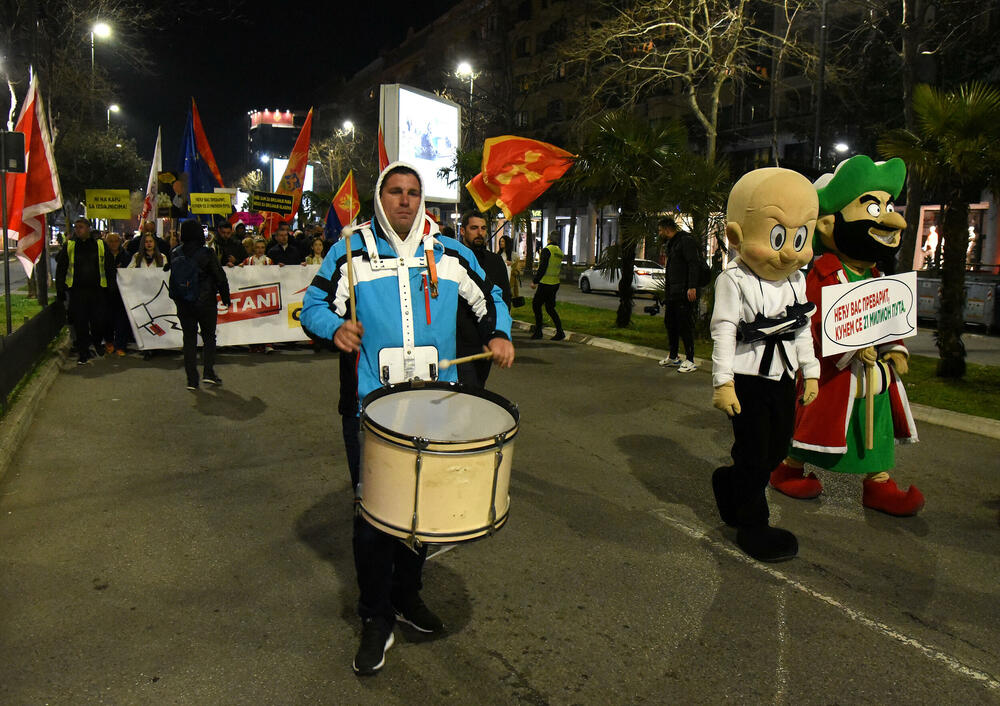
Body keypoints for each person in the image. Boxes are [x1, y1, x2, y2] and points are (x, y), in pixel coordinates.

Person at [300, 162, 514, 677]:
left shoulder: (449, 251)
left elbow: (491, 297)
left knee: (422, 514)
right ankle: (375, 615)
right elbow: (311, 304)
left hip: (433, 406)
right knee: (375, 517)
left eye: (413, 193)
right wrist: (334, 328)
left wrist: (499, 333)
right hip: (370, 410)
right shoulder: (348, 251)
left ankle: (406, 594)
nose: (405, 201)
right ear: (380, 197)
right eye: (395, 191)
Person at [771, 155, 923, 516]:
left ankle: (879, 483)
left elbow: (888, 317)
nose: (890, 216)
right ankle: (787, 469)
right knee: (817, 423)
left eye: (887, 205)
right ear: (826, 225)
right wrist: (850, 349)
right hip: (833, 375)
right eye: (872, 206)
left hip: (874, 374)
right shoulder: (822, 274)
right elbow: (811, 322)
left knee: (878, 425)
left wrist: (895, 349)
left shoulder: (874, 276)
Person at [710, 168, 821, 562]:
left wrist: (810, 370)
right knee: (756, 452)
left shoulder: (796, 280)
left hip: (782, 376)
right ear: (737, 235)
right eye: (777, 238)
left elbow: (801, 327)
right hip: (747, 378)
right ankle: (753, 522)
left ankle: (729, 481)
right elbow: (723, 329)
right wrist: (723, 382)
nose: (789, 251)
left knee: (776, 449)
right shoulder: (733, 280)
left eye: (799, 238)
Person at [167, 219, 231, 390]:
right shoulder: (207, 253)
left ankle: (191, 379)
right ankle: (208, 373)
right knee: (209, 336)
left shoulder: (175, 253)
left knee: (189, 339)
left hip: (183, 302)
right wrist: (226, 297)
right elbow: (220, 277)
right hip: (205, 302)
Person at [456, 210, 512, 388]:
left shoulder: (495, 261)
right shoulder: (452, 259)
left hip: (484, 344)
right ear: (463, 231)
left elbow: (503, 299)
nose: (480, 232)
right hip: (457, 347)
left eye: (483, 228)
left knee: (478, 392)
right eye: (474, 228)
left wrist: (497, 333)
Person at [55, 218, 117, 365]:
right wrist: (60, 289)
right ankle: (83, 353)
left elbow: (109, 267)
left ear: (88, 228)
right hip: (77, 292)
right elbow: (61, 268)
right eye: (76, 227)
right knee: (80, 323)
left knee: (98, 322)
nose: (78, 230)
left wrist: (111, 288)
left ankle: (96, 342)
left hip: (97, 292)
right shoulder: (70, 245)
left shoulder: (100, 244)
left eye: (81, 227)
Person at [657, 216, 700, 372]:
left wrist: (692, 286)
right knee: (671, 323)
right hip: (672, 292)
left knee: (684, 325)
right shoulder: (672, 243)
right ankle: (674, 356)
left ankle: (690, 359)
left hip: (683, 292)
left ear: (668, 229)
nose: (659, 233)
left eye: (661, 230)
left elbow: (693, 263)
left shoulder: (685, 241)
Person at [530, 230, 565, 340]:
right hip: (555, 283)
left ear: (549, 239)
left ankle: (538, 331)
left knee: (536, 305)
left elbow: (543, 267)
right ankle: (560, 332)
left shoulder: (547, 250)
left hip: (545, 283)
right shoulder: (559, 251)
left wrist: (535, 281)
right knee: (550, 308)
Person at [104, 232, 132, 356]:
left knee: (122, 320)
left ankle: (121, 345)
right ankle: (109, 342)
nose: (113, 243)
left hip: (122, 292)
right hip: (106, 291)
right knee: (107, 319)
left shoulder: (126, 256)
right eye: (110, 241)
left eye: (115, 241)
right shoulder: (103, 256)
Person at [498, 234, 521, 301]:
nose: (501, 243)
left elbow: (518, 271)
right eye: (500, 241)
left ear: (507, 243)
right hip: (500, 282)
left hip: (510, 282)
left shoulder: (514, 255)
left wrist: (512, 264)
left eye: (503, 241)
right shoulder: (498, 255)